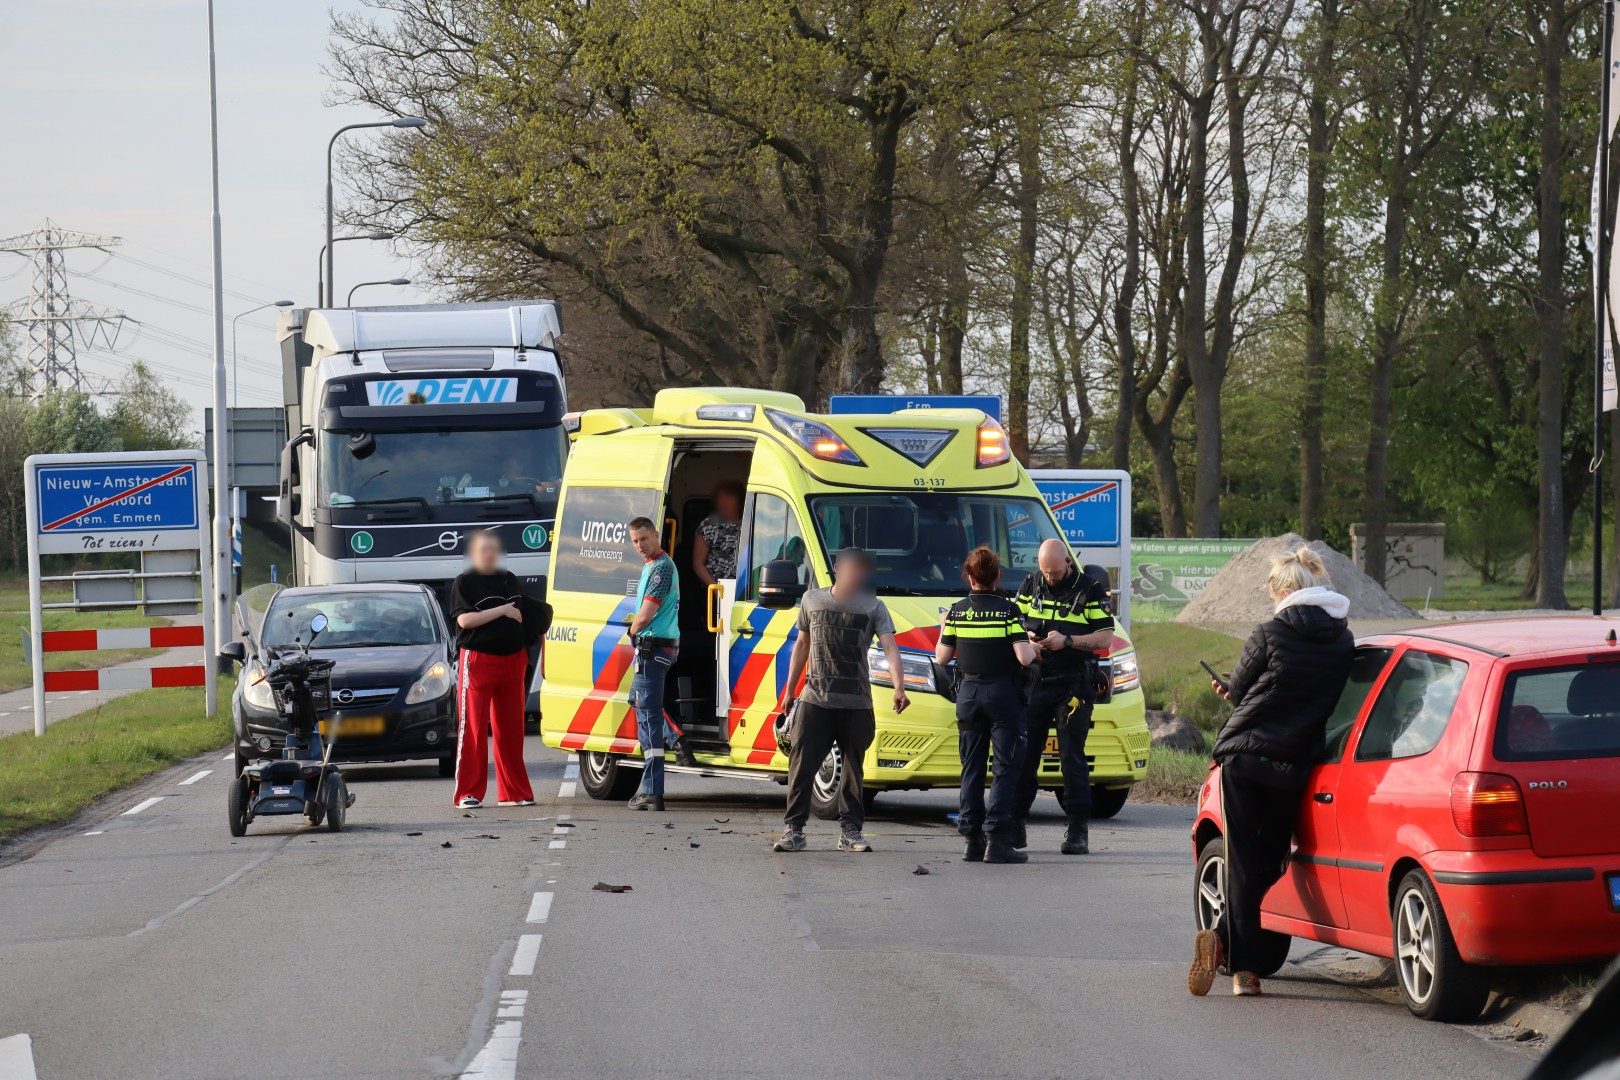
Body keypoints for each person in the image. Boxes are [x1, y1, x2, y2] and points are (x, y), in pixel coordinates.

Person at [1188, 545, 1353, 999]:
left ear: (1283, 590)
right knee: (1272, 856)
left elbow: (1241, 692)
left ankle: (1240, 964)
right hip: (1295, 762)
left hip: (1246, 758)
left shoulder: (1270, 631)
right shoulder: (1343, 639)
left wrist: (1229, 690)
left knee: (1242, 861)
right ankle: (1229, 942)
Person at [773, 547, 909, 853]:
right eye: (851, 569)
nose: (856, 575)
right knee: (801, 766)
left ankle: (850, 831)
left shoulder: (873, 607)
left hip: (856, 703)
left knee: (853, 770)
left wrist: (900, 687)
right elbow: (802, 645)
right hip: (815, 700)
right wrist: (791, 690)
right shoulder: (813, 600)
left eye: (861, 571)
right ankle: (793, 830)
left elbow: (890, 649)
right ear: (837, 568)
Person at [1012, 539, 1116, 855]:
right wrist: (1029, 639)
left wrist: (1067, 641)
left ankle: (1077, 829)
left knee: (1071, 757)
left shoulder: (1091, 589)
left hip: (1073, 685)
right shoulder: (1031, 584)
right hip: (1037, 683)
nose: (1051, 578)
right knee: (1025, 755)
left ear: (1067, 563)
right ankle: (1015, 824)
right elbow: (1014, 622)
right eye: (1046, 572)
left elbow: (1105, 636)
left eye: (1055, 572)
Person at [935, 547, 1037, 864]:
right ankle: (998, 841)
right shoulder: (1008, 612)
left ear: (968, 576)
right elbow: (1023, 657)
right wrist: (1033, 646)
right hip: (1003, 695)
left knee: (972, 768)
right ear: (997, 576)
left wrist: (945, 626)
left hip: (967, 695)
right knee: (1005, 768)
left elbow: (941, 658)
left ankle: (971, 841)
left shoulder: (956, 611)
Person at [448, 530, 536, 809]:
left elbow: (524, 613)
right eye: (483, 549)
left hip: (513, 660)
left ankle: (514, 791)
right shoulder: (465, 582)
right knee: (473, 728)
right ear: (473, 554)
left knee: (511, 729)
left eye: (493, 549)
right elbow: (465, 620)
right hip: (479, 661)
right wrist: (502, 611)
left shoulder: (509, 579)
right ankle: (468, 793)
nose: (489, 554)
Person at [625, 515, 692, 811]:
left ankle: (652, 790)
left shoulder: (661, 568)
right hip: (654, 648)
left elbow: (646, 613)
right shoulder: (652, 566)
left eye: (644, 539)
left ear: (656, 535)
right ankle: (673, 741)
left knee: (648, 719)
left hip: (653, 649)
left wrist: (631, 630)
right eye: (635, 541)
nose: (640, 545)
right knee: (642, 706)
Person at [692, 480, 745, 585]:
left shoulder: (751, 525)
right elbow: (698, 564)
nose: (724, 502)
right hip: (716, 591)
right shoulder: (709, 525)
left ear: (740, 501)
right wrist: (717, 590)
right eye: (721, 498)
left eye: (729, 497)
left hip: (746, 589)